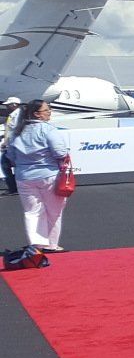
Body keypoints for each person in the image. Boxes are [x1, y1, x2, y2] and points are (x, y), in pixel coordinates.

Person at [8, 100, 71, 252]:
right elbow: (60, 152)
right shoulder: (48, 130)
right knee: (54, 210)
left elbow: (11, 156)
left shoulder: (17, 131)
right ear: (37, 114)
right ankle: (52, 244)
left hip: (24, 176)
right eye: (47, 110)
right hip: (48, 175)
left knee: (32, 212)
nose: (49, 112)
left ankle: (37, 244)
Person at [0, 96, 20, 196]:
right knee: (6, 165)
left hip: (13, 145)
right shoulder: (13, 115)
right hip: (10, 145)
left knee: (6, 165)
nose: (7, 107)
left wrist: (7, 141)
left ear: (14, 105)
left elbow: (15, 131)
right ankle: (14, 187)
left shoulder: (18, 115)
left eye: (8, 105)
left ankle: (14, 188)